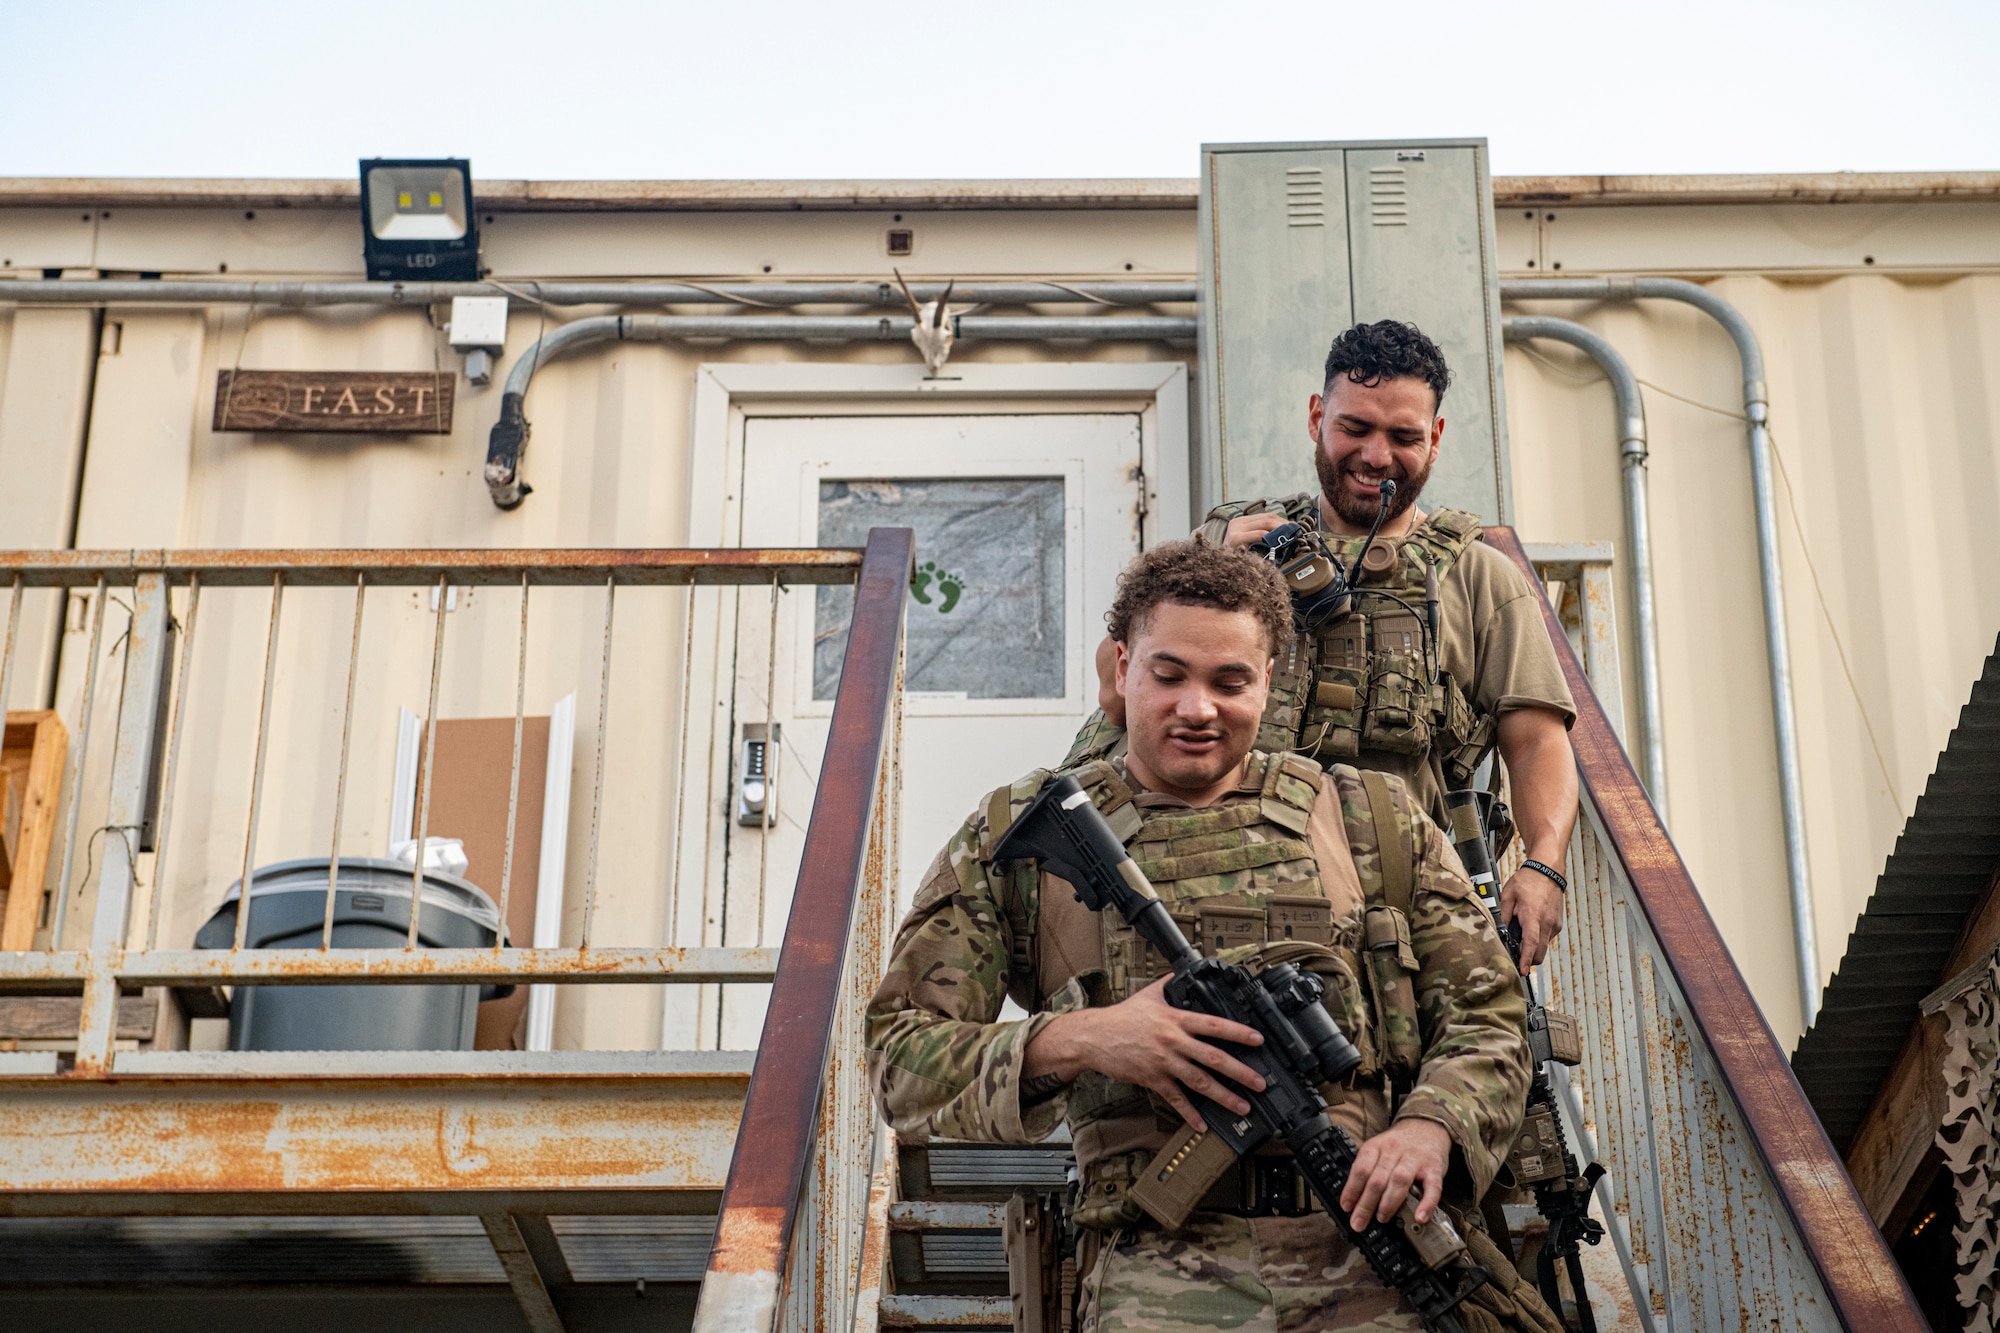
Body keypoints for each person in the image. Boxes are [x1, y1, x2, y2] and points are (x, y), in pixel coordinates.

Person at [867, 540, 1545, 1331]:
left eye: (1231, 681)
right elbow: (897, 1056)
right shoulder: (1018, 837)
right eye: (1169, 674)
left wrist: (1433, 1124)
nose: (1198, 707)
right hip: (1156, 1276)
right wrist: (1087, 1039)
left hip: (1373, 1248)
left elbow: (1491, 1017)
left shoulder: (1373, 820)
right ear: (1121, 667)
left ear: (1270, 681)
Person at [1066, 320, 1578, 972]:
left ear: (1437, 439)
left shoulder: (1480, 580)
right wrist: (1213, 566)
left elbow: (1537, 740)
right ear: (1317, 417)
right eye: (1355, 428)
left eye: (1403, 436)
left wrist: (1544, 868)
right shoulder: (1234, 547)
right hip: (1213, 898)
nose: (1375, 456)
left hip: (1391, 917)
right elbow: (1117, 699)